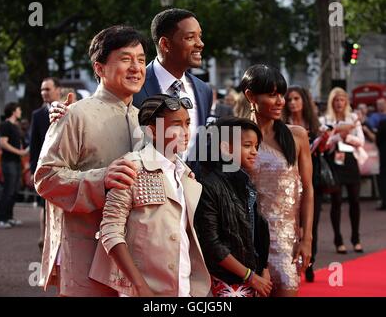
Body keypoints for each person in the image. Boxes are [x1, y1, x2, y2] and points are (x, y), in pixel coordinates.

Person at [34, 25, 147, 297]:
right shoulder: (75, 115)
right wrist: (102, 179)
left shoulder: (146, 119)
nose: (136, 67)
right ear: (99, 68)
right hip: (87, 255)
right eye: (125, 58)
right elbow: (46, 178)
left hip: (138, 259)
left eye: (141, 59)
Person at [89, 94, 211, 296]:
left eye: (187, 124)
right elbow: (110, 230)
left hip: (183, 287)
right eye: (176, 125)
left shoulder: (186, 175)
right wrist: (139, 286)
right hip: (143, 290)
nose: (185, 132)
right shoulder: (132, 167)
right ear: (152, 131)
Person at [241, 64, 313, 297]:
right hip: (245, 242)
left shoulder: (297, 135)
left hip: (285, 243)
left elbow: (308, 189)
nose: (280, 101)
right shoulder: (231, 137)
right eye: (272, 95)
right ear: (251, 96)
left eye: (281, 94)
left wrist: (307, 238)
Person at [194, 116, 272, 297]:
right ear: (225, 148)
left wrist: (264, 267)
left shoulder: (247, 182)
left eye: (256, 146)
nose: (254, 152)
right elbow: (211, 244)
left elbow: (257, 233)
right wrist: (250, 276)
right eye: (247, 146)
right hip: (224, 283)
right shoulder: (209, 185)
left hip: (252, 279)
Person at [133, 8, 212, 166]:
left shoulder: (203, 90)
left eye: (200, 37)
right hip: (146, 186)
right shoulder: (134, 86)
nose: (200, 44)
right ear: (165, 44)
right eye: (190, 37)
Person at [319, 87, 366, 254]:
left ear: (346, 102)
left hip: (350, 160)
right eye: (336, 100)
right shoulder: (325, 119)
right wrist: (338, 135)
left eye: (342, 100)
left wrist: (348, 137)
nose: (339, 103)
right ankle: (338, 240)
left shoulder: (353, 118)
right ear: (332, 102)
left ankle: (356, 239)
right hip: (333, 161)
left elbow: (361, 141)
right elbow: (323, 144)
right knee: (336, 201)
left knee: (355, 200)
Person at [284, 85, 322, 283]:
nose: (292, 103)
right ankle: (290, 262)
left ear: (303, 101)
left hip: (311, 175)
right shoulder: (282, 125)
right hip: (289, 177)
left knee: (310, 222)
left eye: (296, 99)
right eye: (289, 99)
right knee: (292, 222)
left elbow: (323, 150)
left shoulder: (314, 124)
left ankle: (309, 261)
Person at [30, 77, 62, 252]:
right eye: (42, 90)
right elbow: (34, 144)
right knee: (43, 203)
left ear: (58, 89)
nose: (44, 93)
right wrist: (32, 169)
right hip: (44, 168)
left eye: (47, 89)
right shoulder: (37, 115)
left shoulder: (69, 109)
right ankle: (44, 237)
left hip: (64, 166)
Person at [0, 103, 29, 229]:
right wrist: (19, 152)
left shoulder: (16, 126)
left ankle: (9, 217)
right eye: (19, 109)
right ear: (14, 111)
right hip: (8, 162)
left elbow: (18, 142)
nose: (20, 111)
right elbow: (3, 143)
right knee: (8, 190)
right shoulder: (5, 125)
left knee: (14, 190)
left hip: (16, 161)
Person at [376, 119, 386, 211]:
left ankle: (384, 202)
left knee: (383, 178)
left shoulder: (383, 123)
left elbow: (378, 139)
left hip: (384, 154)